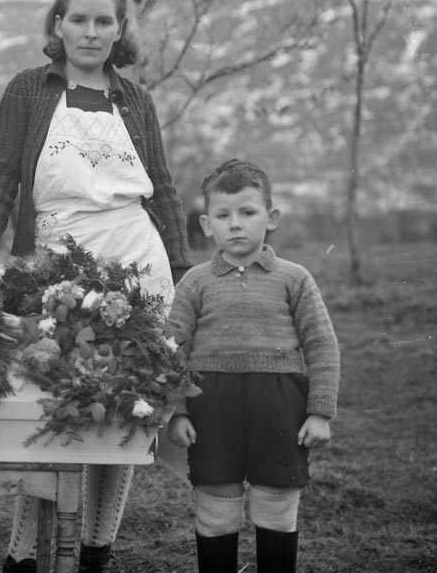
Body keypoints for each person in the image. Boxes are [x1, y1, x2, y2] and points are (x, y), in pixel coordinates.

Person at [0, 0, 193, 573]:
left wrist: (183, 266)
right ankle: (23, 555)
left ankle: (95, 548)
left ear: (120, 31)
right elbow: (0, 172)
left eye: (104, 21)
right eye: (79, 20)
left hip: (138, 268)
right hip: (53, 271)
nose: (91, 33)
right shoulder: (29, 91)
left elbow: (161, 189)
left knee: (124, 408)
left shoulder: (136, 101)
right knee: (51, 409)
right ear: (58, 26)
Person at [165, 159, 340, 573]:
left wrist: (320, 412)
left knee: (277, 500)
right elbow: (172, 348)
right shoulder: (195, 282)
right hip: (211, 406)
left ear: (271, 217)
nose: (236, 225)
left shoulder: (294, 279)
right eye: (223, 216)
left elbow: (322, 346)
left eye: (248, 212)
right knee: (215, 500)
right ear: (208, 225)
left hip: (279, 408)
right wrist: (176, 409)